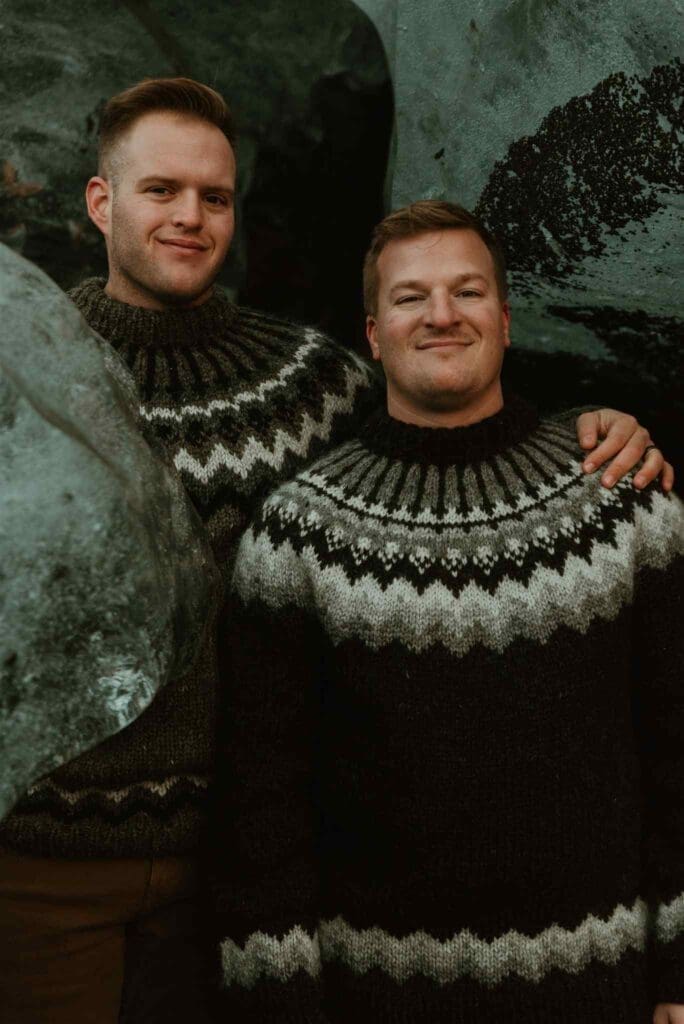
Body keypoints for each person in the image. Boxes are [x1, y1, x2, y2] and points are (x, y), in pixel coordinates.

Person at [0, 75, 672, 1023]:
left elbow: (447, 423)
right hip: (45, 861)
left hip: (225, 867)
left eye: (215, 196)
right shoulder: (25, 369)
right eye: (161, 190)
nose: (190, 216)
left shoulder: (315, 383)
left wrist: (596, 429)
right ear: (100, 202)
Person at [216, 201, 684, 1023]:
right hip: (377, 999)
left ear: (504, 321)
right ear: (371, 333)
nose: (441, 315)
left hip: (600, 986)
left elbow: (678, 752)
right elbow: (261, 808)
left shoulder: (625, 503)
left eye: (467, 292)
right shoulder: (297, 533)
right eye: (410, 297)